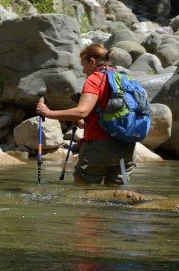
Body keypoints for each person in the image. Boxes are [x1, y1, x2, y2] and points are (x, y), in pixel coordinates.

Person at [36, 43, 135, 185]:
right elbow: (113, 110)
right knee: (116, 196)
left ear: (92, 61)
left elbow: (82, 111)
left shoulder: (95, 79)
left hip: (98, 147)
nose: (83, 70)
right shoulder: (123, 78)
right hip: (126, 146)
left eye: (84, 65)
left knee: (83, 194)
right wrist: (87, 122)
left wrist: (48, 113)